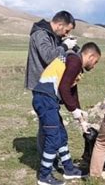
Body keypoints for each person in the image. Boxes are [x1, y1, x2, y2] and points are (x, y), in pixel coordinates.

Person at [32, 42, 101, 185]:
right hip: (45, 99)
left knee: (61, 135)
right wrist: (73, 110)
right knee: (53, 137)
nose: (94, 66)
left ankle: (69, 169)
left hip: (48, 100)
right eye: (95, 62)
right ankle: (44, 175)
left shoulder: (75, 64)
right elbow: (64, 87)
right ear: (90, 55)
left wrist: (81, 117)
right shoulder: (75, 61)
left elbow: (72, 91)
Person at [25, 11, 78, 157]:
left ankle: (49, 154)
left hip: (47, 84)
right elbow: (49, 57)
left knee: (47, 122)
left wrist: (64, 44)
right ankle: (47, 158)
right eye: (66, 30)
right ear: (60, 24)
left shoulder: (50, 35)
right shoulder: (41, 34)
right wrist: (65, 46)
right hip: (41, 85)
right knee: (47, 124)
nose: (66, 34)